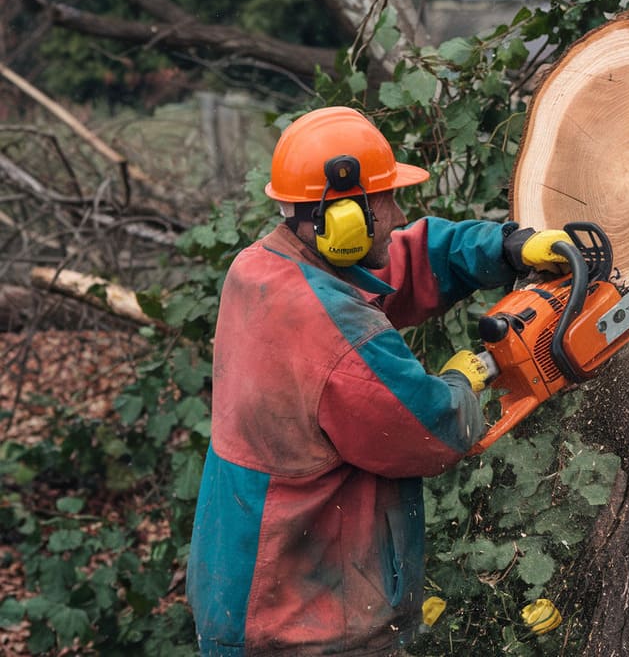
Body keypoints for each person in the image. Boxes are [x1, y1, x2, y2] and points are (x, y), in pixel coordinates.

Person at [186, 106, 570, 656]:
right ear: (340, 219)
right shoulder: (339, 338)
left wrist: (507, 248)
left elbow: (398, 266)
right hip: (300, 622)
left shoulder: (262, 269)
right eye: (384, 201)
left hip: (241, 586)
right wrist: (465, 382)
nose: (395, 215)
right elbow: (429, 429)